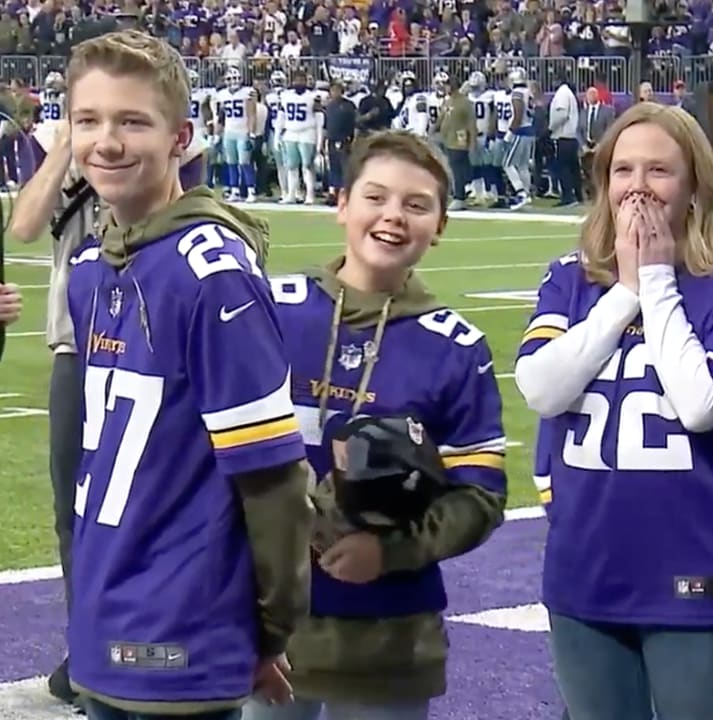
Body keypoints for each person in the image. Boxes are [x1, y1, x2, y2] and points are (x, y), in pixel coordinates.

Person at [63, 30, 314, 720]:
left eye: (132, 121)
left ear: (182, 137)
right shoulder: (92, 266)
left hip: (180, 628)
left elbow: (271, 478)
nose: (106, 142)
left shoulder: (214, 276)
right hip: (103, 611)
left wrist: (272, 626)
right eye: (89, 121)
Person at [513, 101, 713, 720]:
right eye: (622, 170)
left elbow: (701, 404)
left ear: (693, 186)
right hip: (586, 571)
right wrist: (626, 288)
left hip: (697, 571)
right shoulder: (570, 281)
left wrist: (654, 284)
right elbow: (542, 390)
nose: (637, 187)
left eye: (658, 170)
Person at [241, 130, 508, 720]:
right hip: (264, 620)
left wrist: (387, 551)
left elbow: (481, 496)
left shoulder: (455, 347)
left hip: (389, 632)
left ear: (439, 225)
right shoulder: (267, 310)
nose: (393, 216)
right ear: (341, 204)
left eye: (416, 205)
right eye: (376, 197)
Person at [10, 109, 207, 707]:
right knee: (76, 508)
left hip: (149, 348)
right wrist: (69, 145)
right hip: (78, 343)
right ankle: (88, 640)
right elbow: (24, 224)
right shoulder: (62, 149)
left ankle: (153, 642)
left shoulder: (164, 141)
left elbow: (189, 205)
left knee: (154, 504)